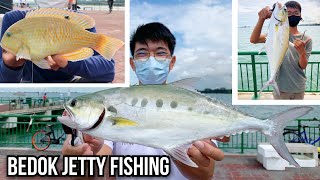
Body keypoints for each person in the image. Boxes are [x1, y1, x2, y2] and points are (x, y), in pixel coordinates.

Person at [62, 22, 226, 179]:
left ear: (172, 62)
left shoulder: (195, 104)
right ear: (132, 64)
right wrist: (81, 157)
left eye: (160, 53)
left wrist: (178, 147)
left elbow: (205, 174)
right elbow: (94, 170)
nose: (151, 59)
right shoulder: (113, 104)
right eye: (142, 53)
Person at [0, 0, 115, 83]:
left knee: (102, 82)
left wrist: (67, 62)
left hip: (69, 83)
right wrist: (10, 66)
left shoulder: (75, 18)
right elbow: (4, 80)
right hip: (28, 83)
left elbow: (108, 71)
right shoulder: (13, 19)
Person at [250, 1, 312, 100]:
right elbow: (254, 39)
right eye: (289, 12)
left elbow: (303, 66)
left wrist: (302, 53)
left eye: (296, 13)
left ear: (300, 16)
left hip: (299, 87)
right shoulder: (273, 35)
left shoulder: (307, 39)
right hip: (280, 88)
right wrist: (261, 18)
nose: (292, 15)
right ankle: (272, 80)